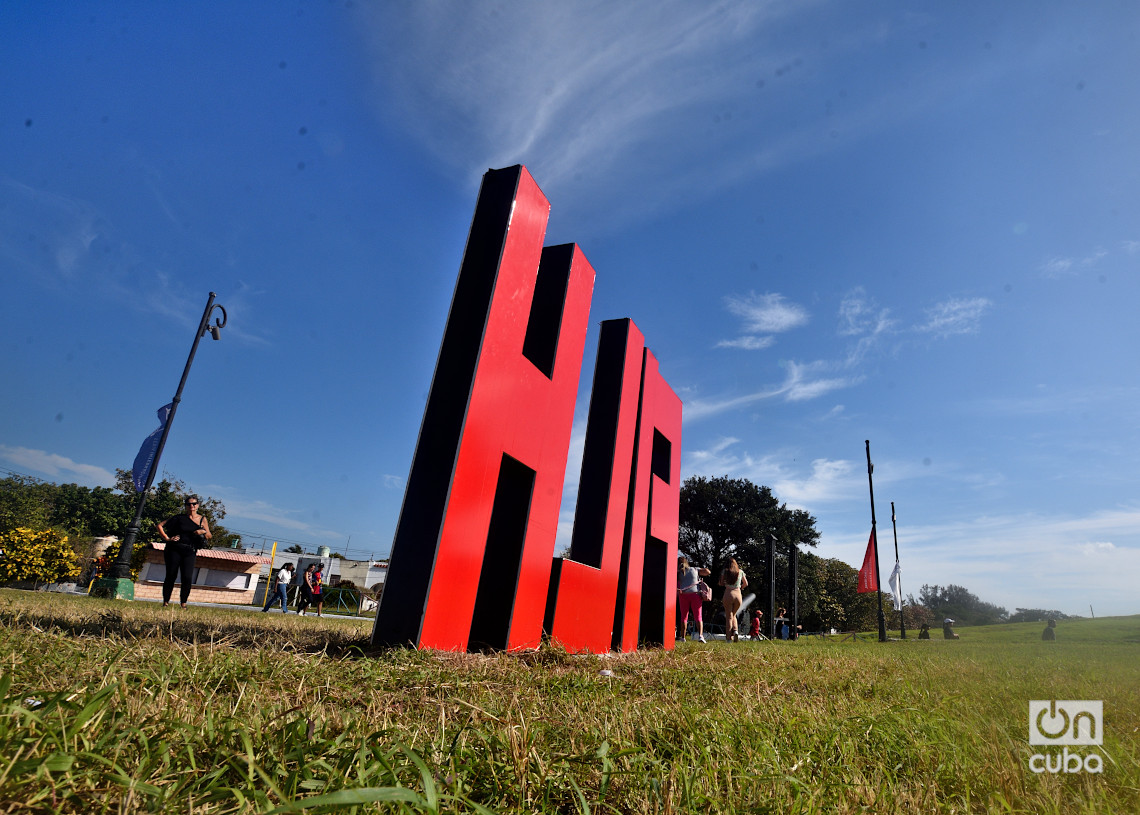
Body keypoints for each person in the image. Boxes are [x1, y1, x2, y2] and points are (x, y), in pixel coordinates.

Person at [156, 494, 211, 608]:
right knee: (171, 575)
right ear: (185, 506)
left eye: (194, 504)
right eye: (189, 504)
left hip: (190, 550)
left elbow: (209, 535)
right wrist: (167, 538)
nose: (191, 506)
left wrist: (203, 531)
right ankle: (166, 602)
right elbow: (160, 525)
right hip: (174, 549)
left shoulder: (202, 519)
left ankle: (183, 603)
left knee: (187, 577)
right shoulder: (179, 517)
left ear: (198, 505)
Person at [676, 555, 710, 643]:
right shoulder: (694, 569)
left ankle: (683, 637)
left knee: (684, 617)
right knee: (698, 616)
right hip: (695, 595)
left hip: (683, 595)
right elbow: (707, 572)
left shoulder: (678, 572)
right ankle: (701, 636)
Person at [718, 558, 747, 642]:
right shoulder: (740, 571)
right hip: (738, 595)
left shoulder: (725, 571)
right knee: (734, 615)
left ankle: (728, 638)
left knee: (729, 617)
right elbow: (746, 583)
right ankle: (735, 631)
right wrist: (741, 587)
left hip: (728, 593)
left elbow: (721, 583)